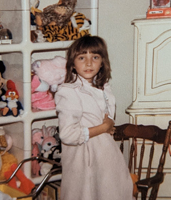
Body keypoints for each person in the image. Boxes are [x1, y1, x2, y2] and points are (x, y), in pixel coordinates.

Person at [55, 36, 132, 200]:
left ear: (102, 62)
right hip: (83, 161)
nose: (89, 64)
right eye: (82, 58)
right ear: (73, 64)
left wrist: (108, 125)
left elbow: (107, 118)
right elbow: (68, 134)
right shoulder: (69, 92)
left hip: (106, 157)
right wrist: (103, 128)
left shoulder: (104, 87)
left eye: (95, 57)